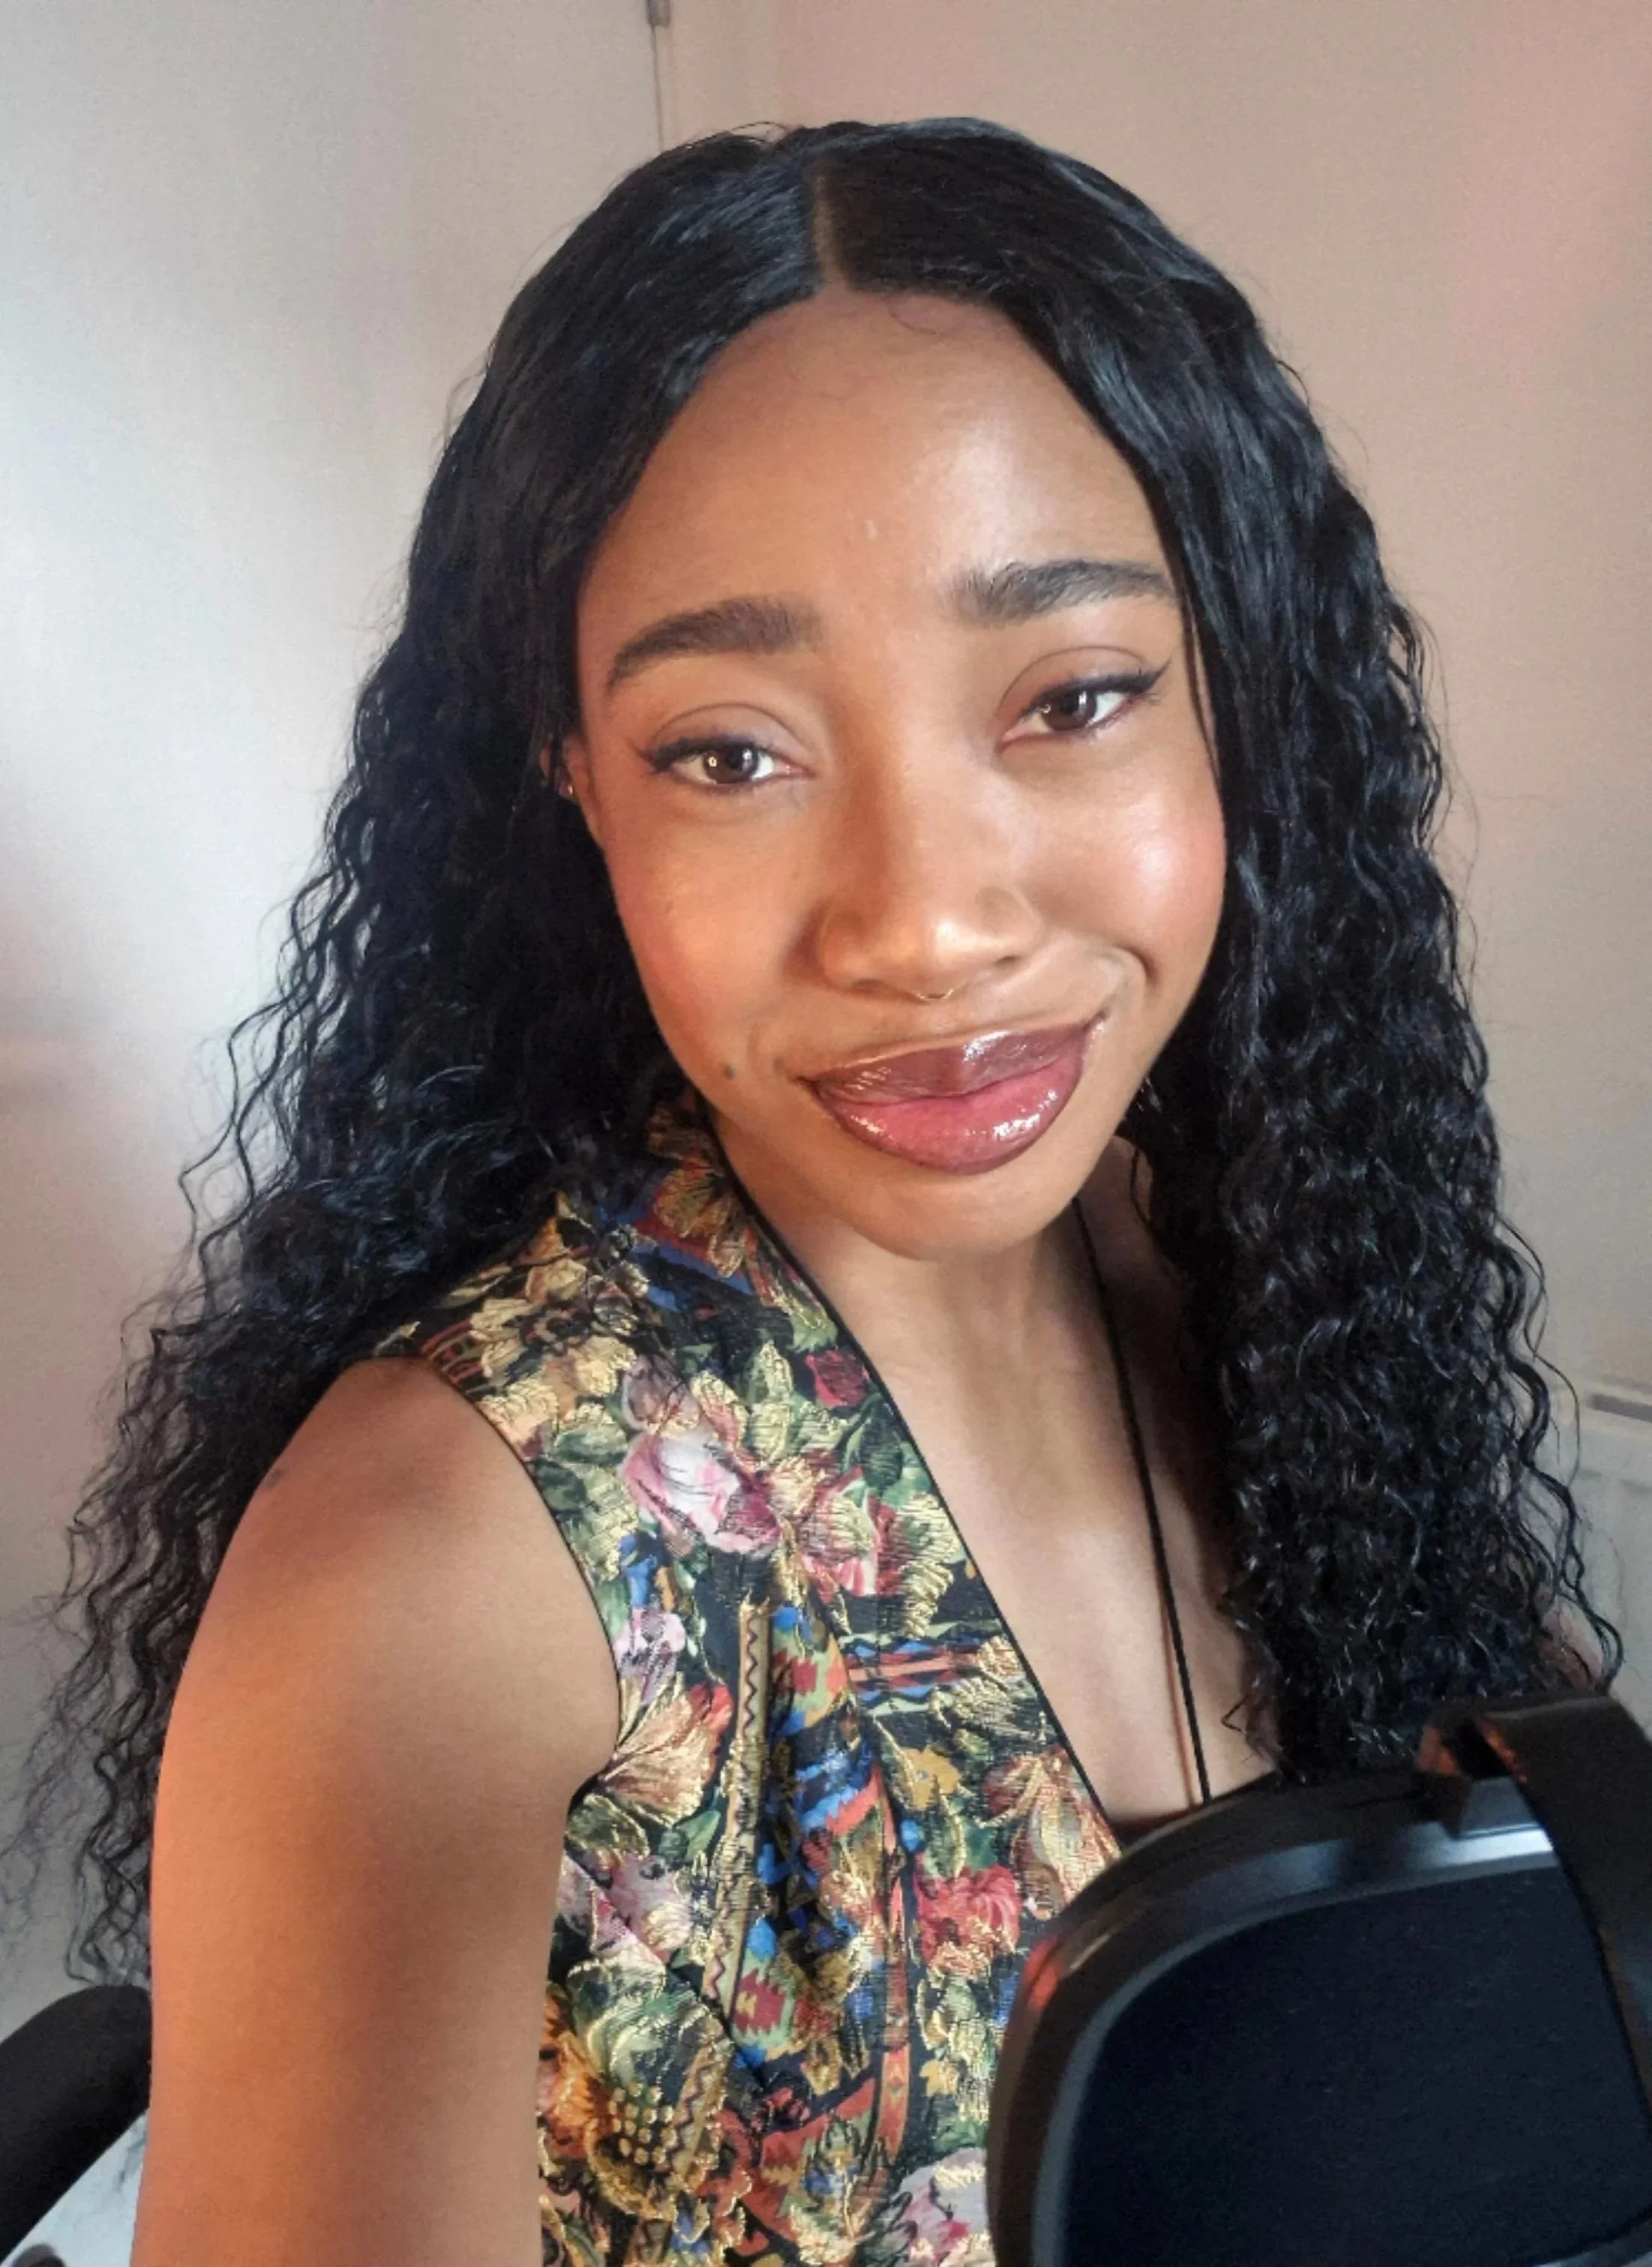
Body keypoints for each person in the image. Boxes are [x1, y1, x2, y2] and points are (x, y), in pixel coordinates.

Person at [4, 117, 1615, 2267]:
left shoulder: (1270, 1276)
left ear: (1240, 707)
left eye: (1069, 699)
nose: (924, 925)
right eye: (731, 753)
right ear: (570, 777)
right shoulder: (441, 1583)